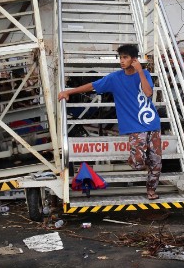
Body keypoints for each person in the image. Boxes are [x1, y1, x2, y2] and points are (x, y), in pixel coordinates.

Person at [58, 44, 162, 200]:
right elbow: (92, 86)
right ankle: (133, 158)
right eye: (120, 57)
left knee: (156, 163)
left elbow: (148, 92)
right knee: (138, 162)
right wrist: (68, 92)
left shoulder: (145, 73)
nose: (121, 61)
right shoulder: (115, 78)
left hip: (152, 123)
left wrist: (140, 71)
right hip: (134, 126)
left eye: (125, 57)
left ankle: (151, 190)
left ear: (134, 59)